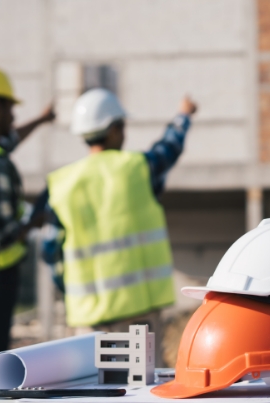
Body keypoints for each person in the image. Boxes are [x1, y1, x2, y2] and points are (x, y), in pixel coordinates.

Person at [43, 88, 197, 366]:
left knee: (93, 392)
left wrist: (73, 295)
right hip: (138, 316)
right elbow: (169, 148)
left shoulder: (61, 184)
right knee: (139, 391)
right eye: (122, 127)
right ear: (113, 130)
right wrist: (183, 116)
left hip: (88, 320)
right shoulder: (137, 168)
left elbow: (49, 251)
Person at [0, 66, 55, 359]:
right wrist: (33, 222)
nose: (14, 116)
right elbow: (0, 236)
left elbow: (9, 139)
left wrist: (41, 120)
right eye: (9, 108)